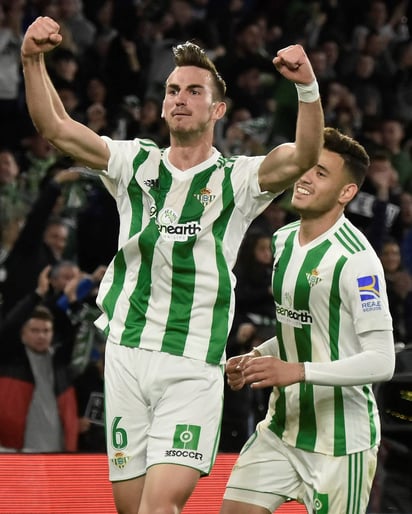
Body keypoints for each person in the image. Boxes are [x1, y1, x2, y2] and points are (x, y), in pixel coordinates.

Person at [20, 15, 324, 514]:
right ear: (162, 104)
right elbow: (54, 127)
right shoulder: (132, 163)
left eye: (194, 91)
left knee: (157, 509)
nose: (180, 97)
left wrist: (307, 88)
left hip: (191, 365)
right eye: (173, 89)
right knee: (131, 508)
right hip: (124, 355)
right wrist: (32, 58)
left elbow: (304, 154)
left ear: (218, 109)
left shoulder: (238, 179)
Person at [220, 127, 396, 514]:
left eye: (320, 173)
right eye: (306, 168)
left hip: (340, 444)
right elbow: (299, 328)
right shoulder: (282, 240)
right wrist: (255, 358)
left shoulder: (358, 260)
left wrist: (296, 371)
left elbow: (383, 361)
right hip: (281, 431)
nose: (304, 177)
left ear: (346, 192)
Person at [0, 265, 78, 452]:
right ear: (23, 333)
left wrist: (70, 299)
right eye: (34, 330)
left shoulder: (59, 362)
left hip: (58, 454)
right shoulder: (11, 358)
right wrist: (38, 294)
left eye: (46, 331)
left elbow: (74, 332)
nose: (41, 336)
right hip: (16, 453)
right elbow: (10, 326)